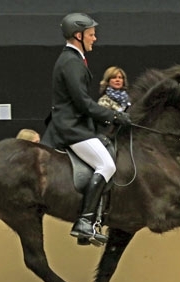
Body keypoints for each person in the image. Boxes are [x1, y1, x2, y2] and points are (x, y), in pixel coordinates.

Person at [40, 12, 132, 246]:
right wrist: (114, 115)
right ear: (78, 35)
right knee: (107, 165)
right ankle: (84, 221)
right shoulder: (71, 62)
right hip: (71, 128)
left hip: (74, 124)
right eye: (91, 35)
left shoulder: (74, 59)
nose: (95, 39)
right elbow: (82, 103)